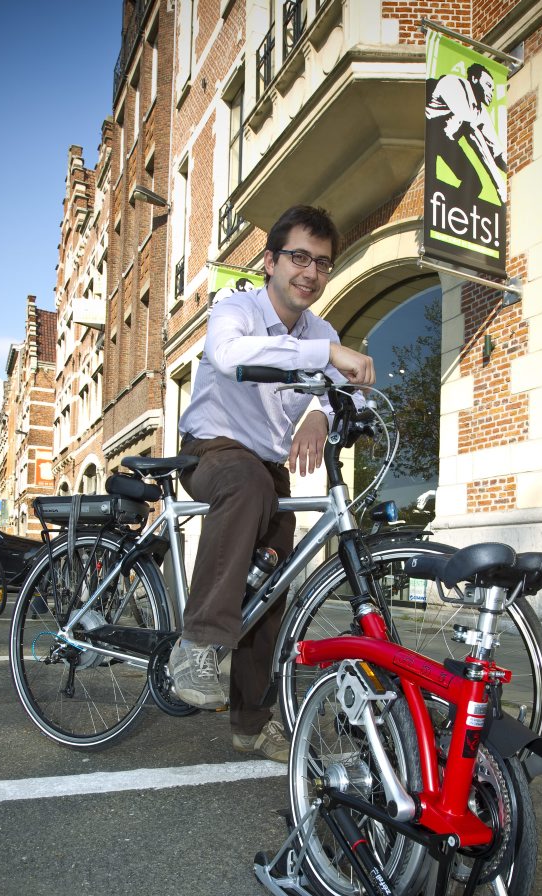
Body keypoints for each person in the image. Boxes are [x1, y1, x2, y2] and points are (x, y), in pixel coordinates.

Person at [169, 205, 375, 763]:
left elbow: (351, 391)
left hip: (267, 467)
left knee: (271, 586)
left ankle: (251, 724)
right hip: (212, 449)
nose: (311, 272)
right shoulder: (236, 308)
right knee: (247, 487)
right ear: (270, 261)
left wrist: (321, 415)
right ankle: (198, 643)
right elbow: (227, 355)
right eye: (299, 257)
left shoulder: (321, 330)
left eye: (322, 263)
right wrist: (323, 357)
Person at [425, 62, 507, 203]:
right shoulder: (453, 84)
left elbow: (496, 151)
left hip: (446, 141)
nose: (491, 93)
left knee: (473, 185)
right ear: (474, 79)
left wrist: (511, 170)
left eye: (493, 90)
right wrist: (500, 186)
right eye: (488, 86)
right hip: (429, 136)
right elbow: (472, 134)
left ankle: (448, 207)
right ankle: (437, 206)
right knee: (430, 184)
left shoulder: (480, 111)